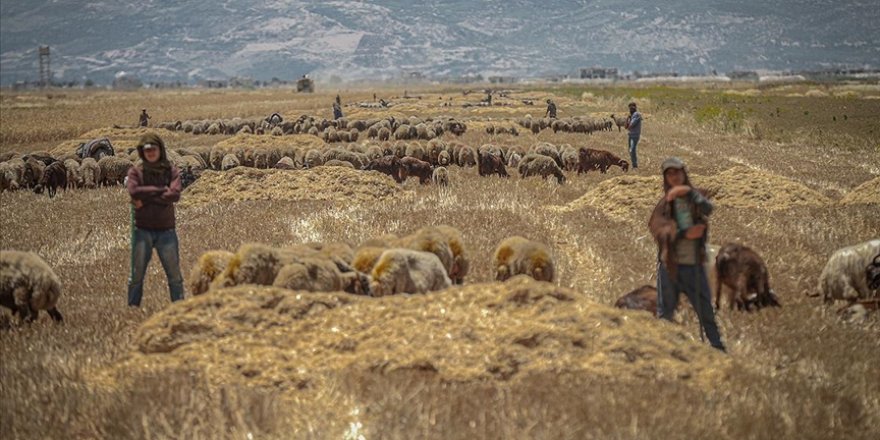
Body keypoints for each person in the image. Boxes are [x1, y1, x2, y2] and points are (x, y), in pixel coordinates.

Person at [649, 158, 725, 352]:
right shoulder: (664, 206)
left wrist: (689, 192)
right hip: (670, 268)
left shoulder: (694, 199)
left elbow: (709, 209)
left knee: (706, 311)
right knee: (665, 313)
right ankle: (663, 350)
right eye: (670, 174)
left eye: (678, 173)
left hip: (694, 266)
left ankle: (717, 348)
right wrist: (684, 234)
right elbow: (658, 230)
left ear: (684, 174)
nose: (675, 177)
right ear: (666, 178)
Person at [126, 133, 184, 307]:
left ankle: (179, 308)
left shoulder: (170, 171)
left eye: (154, 149)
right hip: (142, 230)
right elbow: (134, 191)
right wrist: (161, 191)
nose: (151, 153)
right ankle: (133, 308)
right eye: (147, 150)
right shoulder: (136, 172)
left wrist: (147, 196)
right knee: (136, 274)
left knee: (174, 274)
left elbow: (174, 194)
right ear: (142, 152)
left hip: (166, 230)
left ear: (160, 150)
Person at [625, 102, 641, 169]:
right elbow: (626, 126)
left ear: (635, 107)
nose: (631, 109)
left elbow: (631, 125)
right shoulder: (631, 116)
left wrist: (628, 124)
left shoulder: (636, 115)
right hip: (630, 135)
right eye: (630, 107)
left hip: (635, 135)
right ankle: (634, 165)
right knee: (630, 150)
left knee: (632, 150)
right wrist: (627, 118)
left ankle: (635, 166)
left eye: (632, 107)